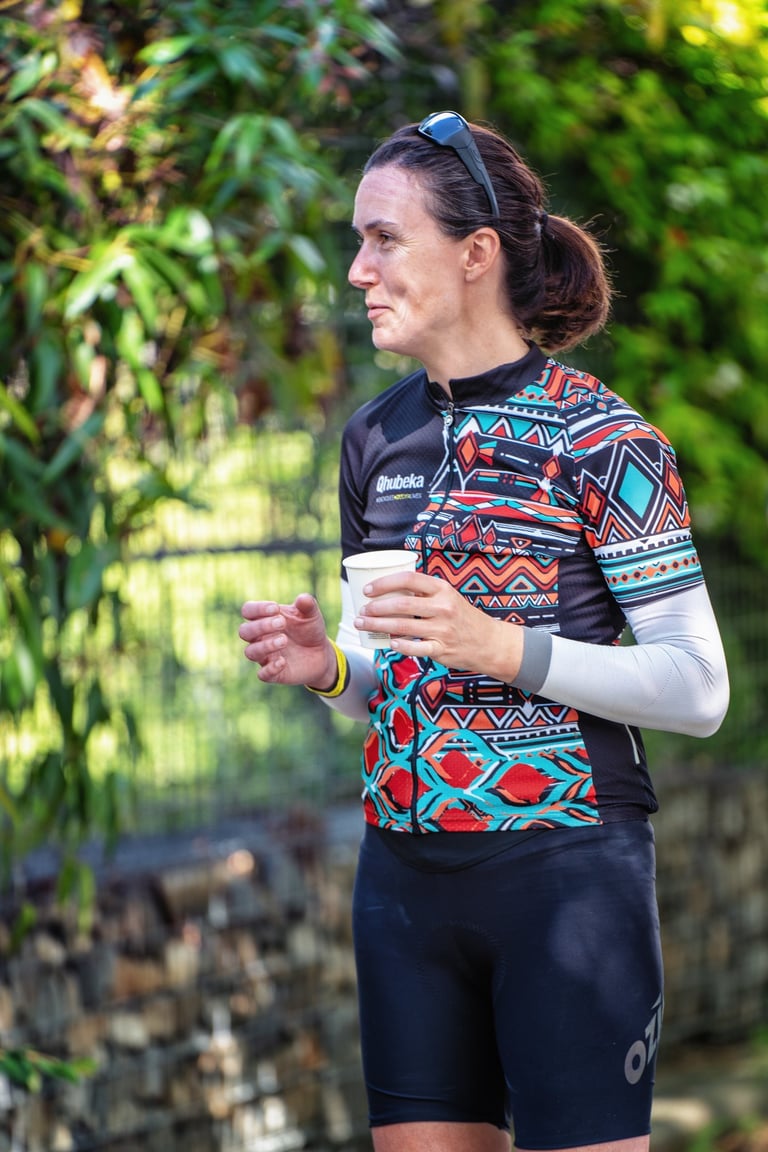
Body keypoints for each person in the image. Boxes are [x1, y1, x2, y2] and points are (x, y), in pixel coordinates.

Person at [239, 111, 729, 1152]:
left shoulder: (606, 441)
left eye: (385, 238)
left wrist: (502, 647)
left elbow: (698, 689)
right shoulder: (374, 437)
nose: (358, 270)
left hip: (569, 876)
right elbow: (393, 683)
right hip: (404, 887)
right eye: (359, 241)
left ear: (476, 254)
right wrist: (328, 669)